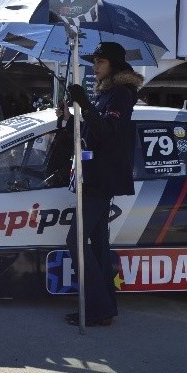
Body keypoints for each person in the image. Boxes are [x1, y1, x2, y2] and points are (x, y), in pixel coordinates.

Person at [63, 41, 143, 327]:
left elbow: (108, 132)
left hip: (102, 178)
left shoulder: (121, 94)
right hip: (93, 175)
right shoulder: (107, 93)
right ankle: (104, 308)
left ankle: (96, 307)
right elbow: (92, 132)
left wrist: (84, 103)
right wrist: (71, 115)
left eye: (100, 61)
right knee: (96, 243)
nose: (94, 66)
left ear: (114, 65)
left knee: (76, 241)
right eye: (94, 61)